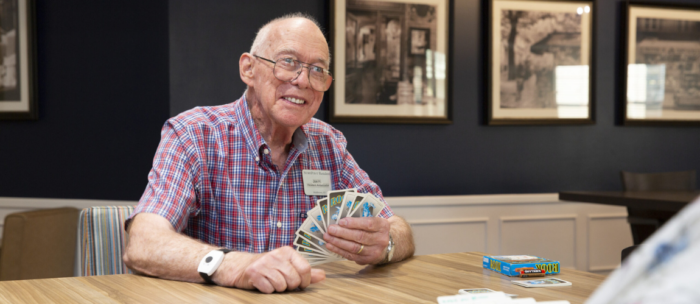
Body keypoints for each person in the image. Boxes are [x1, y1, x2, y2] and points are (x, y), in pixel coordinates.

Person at [122, 13, 415, 294]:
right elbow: (143, 245)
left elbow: (398, 227)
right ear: (248, 69)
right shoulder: (195, 135)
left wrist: (386, 243)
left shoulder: (328, 144)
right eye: (288, 62)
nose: (302, 80)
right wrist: (236, 266)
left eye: (317, 70)